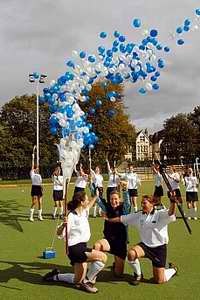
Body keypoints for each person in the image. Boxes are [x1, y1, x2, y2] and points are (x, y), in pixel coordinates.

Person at [43, 191, 107, 293]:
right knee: (102, 257)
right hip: (75, 249)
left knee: (77, 280)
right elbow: (59, 233)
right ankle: (87, 282)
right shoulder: (71, 216)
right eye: (86, 199)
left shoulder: (84, 211)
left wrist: (96, 196)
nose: (88, 201)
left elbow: (89, 205)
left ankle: (54, 276)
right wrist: (64, 225)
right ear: (81, 202)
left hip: (81, 246)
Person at [107, 195, 178, 285]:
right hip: (145, 246)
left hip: (159, 249)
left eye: (144, 203)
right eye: (141, 203)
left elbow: (171, 213)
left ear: (152, 204)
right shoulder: (139, 215)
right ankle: (138, 275)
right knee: (131, 254)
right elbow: (122, 218)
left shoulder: (160, 214)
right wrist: (108, 219)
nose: (142, 205)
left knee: (159, 280)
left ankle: (173, 270)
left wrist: (173, 202)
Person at [94, 183, 131, 276]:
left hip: (121, 242)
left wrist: (125, 190)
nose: (113, 201)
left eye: (115, 199)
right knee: (97, 246)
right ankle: (92, 274)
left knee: (118, 274)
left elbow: (127, 202)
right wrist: (92, 185)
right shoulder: (107, 207)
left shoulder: (124, 209)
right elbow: (97, 199)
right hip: (109, 240)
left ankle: (116, 264)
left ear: (119, 199)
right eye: (111, 199)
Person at [29, 154, 43, 222]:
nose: (37, 168)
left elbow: (40, 183)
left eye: (38, 168)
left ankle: (39, 215)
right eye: (36, 168)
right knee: (34, 202)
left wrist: (42, 189)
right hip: (34, 188)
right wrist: (33, 158)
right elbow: (32, 166)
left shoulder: (39, 175)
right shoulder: (32, 174)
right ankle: (31, 216)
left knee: (40, 202)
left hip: (39, 188)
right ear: (34, 169)